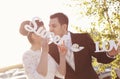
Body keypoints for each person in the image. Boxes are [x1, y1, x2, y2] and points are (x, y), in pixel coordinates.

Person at [48, 12, 119, 79]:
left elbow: (100, 56)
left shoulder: (83, 38)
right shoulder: (50, 48)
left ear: (64, 26)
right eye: (49, 26)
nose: (50, 30)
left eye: (54, 26)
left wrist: (110, 54)